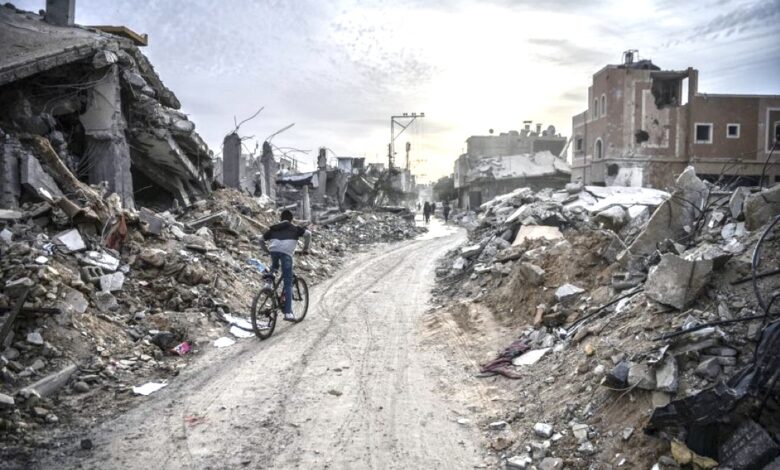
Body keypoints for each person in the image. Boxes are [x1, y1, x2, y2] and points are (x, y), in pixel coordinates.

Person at [260, 210, 311, 321]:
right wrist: (305, 249)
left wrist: (266, 250)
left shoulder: (274, 228)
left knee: (275, 266)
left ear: (281, 219)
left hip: (274, 250)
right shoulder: (295, 228)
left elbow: (261, 239)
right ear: (291, 219)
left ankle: (268, 283)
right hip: (286, 253)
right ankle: (288, 313)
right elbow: (308, 234)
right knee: (288, 283)